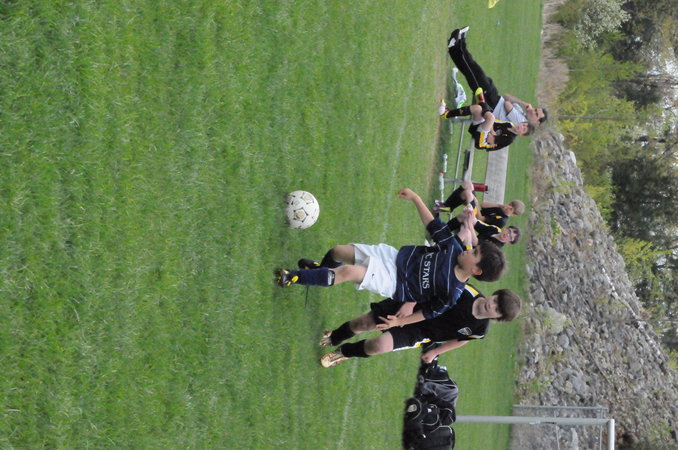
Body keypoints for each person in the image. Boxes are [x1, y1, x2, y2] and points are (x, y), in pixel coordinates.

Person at [275, 188, 506, 325]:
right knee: (338, 252)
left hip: (394, 282)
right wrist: (415, 198)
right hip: (394, 258)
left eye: (474, 253)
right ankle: (318, 273)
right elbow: (433, 225)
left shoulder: (452, 292)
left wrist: (400, 321)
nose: (469, 250)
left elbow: (428, 313)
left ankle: (292, 277)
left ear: (476, 270)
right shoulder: (453, 248)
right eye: (474, 248)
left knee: (348, 271)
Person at [318, 284, 521, 367]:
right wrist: (410, 303)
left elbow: (461, 340)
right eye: (495, 300)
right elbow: (431, 286)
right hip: (411, 308)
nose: (491, 305)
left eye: (497, 309)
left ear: (498, 317)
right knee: (364, 323)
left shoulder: (480, 330)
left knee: (378, 346)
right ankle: (335, 336)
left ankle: (344, 352)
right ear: (495, 294)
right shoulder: (465, 290)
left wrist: (435, 352)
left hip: (419, 331)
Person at [447, 26, 547, 127]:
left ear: (537, 122)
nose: (533, 111)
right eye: (535, 110)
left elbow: (507, 104)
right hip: (494, 98)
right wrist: (523, 104)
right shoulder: (522, 114)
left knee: (473, 73)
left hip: (490, 105)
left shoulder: (521, 123)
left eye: (536, 114)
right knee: (475, 71)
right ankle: (459, 44)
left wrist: (523, 103)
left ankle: (454, 47)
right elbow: (507, 96)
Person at [439, 94, 526, 151]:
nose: (522, 127)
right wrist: (491, 130)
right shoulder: (509, 124)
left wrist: (491, 130)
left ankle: (483, 103)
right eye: (524, 125)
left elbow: (490, 139)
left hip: (481, 142)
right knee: (477, 109)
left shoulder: (509, 138)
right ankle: (447, 114)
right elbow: (492, 123)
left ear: (522, 134)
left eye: (524, 129)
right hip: (482, 129)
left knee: (490, 117)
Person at [435, 181, 525, 230]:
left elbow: (480, 219)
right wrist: (498, 205)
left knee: (468, 194)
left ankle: (446, 213)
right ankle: (446, 207)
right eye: (510, 204)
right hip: (476, 213)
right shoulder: (501, 208)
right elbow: (483, 205)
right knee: (468, 185)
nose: (508, 207)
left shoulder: (501, 220)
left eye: (511, 209)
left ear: (513, 215)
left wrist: (475, 202)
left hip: (475, 221)